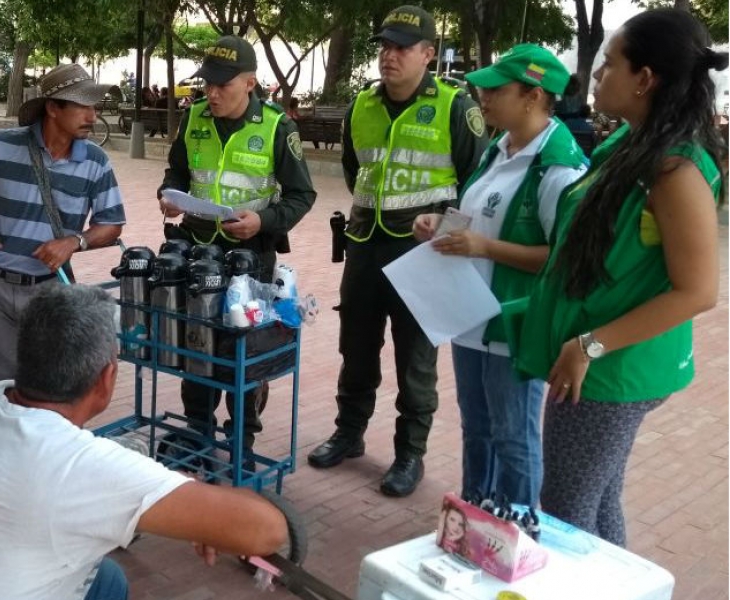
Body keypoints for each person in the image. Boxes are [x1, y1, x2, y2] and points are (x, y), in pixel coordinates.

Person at [0, 285, 288, 600]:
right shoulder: (82, 467)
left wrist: (186, 504)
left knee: (105, 577)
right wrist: (199, 508)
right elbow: (266, 530)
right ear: (106, 377)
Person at [514, 8, 725, 546]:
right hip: (597, 362)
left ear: (645, 79)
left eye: (610, 65)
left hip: (610, 371)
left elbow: (699, 291)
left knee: (564, 514)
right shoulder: (628, 146)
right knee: (594, 501)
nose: (599, 75)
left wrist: (590, 346)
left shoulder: (675, 170)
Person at [306, 5, 488, 498]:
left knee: (416, 360)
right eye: (385, 46)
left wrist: (448, 236)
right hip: (365, 245)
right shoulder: (361, 106)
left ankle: (410, 453)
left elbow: (476, 185)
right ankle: (350, 432)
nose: (390, 56)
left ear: (429, 54)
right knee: (356, 349)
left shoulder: (455, 106)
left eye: (402, 47)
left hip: (423, 254)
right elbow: (354, 172)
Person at [413, 45, 587, 507]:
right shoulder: (499, 147)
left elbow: (564, 260)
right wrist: (441, 226)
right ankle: (474, 516)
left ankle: (516, 532)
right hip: (470, 316)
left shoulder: (559, 169)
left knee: (514, 437)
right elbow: (478, 217)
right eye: (481, 89)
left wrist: (484, 247)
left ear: (533, 96)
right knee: (478, 428)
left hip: (514, 324)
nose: (482, 97)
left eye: (495, 90)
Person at [157, 35, 316, 465]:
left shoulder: (276, 127)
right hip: (195, 252)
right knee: (195, 346)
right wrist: (169, 193)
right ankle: (198, 434)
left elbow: (302, 196)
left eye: (222, 85)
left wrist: (262, 221)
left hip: (250, 261)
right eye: (208, 83)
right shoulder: (194, 119)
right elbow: (177, 170)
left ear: (250, 83)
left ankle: (242, 442)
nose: (211, 92)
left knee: (244, 355)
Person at [0, 63, 125, 388]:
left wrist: (74, 242)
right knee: (3, 389)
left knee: (50, 387)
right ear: (52, 108)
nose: (93, 116)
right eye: (83, 106)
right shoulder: (2, 145)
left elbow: (112, 224)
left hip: (50, 291)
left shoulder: (95, 161)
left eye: (94, 107)